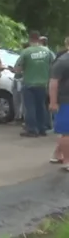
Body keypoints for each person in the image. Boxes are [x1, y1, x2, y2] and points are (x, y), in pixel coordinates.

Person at [15, 31, 53, 137]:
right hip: (43, 84)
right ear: (39, 39)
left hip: (29, 83)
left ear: (30, 39)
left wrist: (22, 71)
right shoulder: (47, 51)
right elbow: (54, 63)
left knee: (30, 107)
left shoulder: (26, 52)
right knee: (41, 106)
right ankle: (42, 129)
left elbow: (18, 68)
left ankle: (32, 129)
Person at [49, 37, 69, 170]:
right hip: (65, 101)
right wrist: (53, 102)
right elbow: (53, 83)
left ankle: (57, 154)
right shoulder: (63, 62)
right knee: (66, 132)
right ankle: (67, 161)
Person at [11, 42, 29, 123]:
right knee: (16, 100)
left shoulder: (28, 58)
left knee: (24, 101)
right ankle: (17, 117)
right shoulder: (20, 57)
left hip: (23, 80)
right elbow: (17, 68)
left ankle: (25, 119)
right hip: (16, 79)